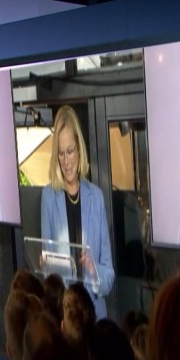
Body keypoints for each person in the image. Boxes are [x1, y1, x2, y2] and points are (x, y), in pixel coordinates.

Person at [41, 104, 114, 320]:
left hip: (94, 317)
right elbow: (49, 274)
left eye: (70, 151)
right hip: (64, 318)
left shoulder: (96, 197)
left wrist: (93, 270)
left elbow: (109, 276)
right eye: (61, 153)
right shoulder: (48, 197)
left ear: (79, 149)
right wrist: (46, 267)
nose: (66, 161)